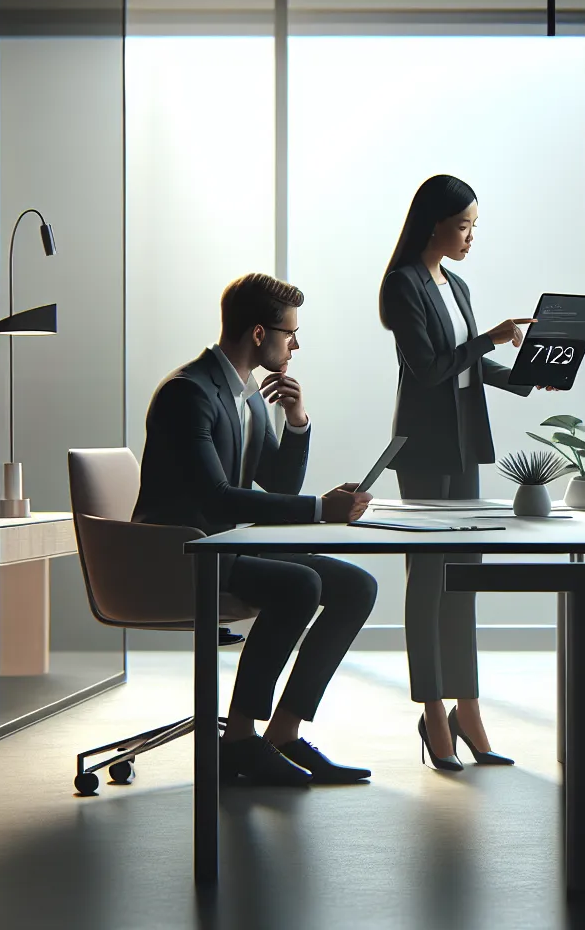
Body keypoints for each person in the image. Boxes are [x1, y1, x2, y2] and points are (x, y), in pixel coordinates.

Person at [133, 273, 378, 786]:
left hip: (229, 549)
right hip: (183, 554)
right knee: (300, 584)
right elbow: (213, 497)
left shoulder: (245, 394)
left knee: (357, 585)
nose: (296, 344)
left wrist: (296, 420)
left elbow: (278, 482)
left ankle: (282, 733)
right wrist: (319, 509)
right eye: (291, 333)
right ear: (261, 335)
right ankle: (239, 739)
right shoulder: (189, 393)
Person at [379, 174, 539, 772]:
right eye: (465, 225)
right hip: (423, 450)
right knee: (428, 583)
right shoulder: (403, 285)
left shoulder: (458, 284)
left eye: (475, 225)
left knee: (462, 583)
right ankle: (433, 713)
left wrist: (522, 376)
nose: (472, 236)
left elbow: (467, 367)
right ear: (434, 223)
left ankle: (467, 710)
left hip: (464, 444)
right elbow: (428, 369)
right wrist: (492, 338)